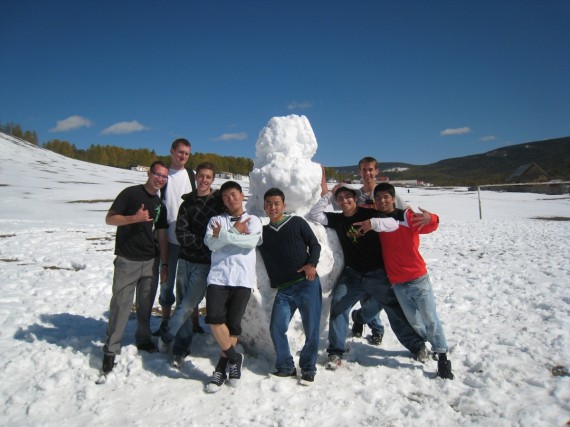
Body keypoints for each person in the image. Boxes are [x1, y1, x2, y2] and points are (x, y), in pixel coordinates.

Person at [309, 184, 428, 370]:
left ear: (355, 198)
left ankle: (416, 345)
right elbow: (315, 214)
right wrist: (330, 194)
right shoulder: (338, 219)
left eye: (348, 196)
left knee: (393, 308)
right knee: (338, 306)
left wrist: (373, 223)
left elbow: (393, 223)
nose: (345, 200)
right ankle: (335, 351)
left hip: (376, 272)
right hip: (353, 274)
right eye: (340, 198)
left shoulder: (369, 214)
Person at [355, 183, 454, 379]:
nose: (383, 201)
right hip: (397, 282)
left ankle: (442, 356)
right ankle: (426, 344)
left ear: (393, 198)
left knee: (430, 318)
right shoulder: (375, 220)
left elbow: (430, 224)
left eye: (386, 197)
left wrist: (433, 218)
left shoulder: (406, 217)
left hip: (418, 278)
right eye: (379, 198)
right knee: (414, 321)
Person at [98, 160, 169, 380]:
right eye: (157, 174)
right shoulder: (130, 194)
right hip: (127, 259)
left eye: (164, 177)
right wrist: (133, 219)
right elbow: (110, 219)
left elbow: (162, 234)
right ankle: (111, 349)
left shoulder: (160, 204)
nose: (160, 179)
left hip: (150, 261)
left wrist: (164, 263)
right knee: (121, 305)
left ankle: (144, 338)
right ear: (149, 173)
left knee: (146, 304)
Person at [157, 162, 225, 368]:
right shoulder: (187, 203)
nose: (204, 180)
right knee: (183, 305)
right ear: (196, 178)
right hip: (186, 261)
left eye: (208, 177)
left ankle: (167, 334)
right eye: (201, 176)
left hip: (205, 264)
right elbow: (181, 233)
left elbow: (222, 230)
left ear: (213, 180)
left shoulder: (217, 203)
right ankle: (181, 349)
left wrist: (209, 243)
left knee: (188, 304)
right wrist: (206, 242)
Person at [258, 188, 322, 384]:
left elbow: (315, 244)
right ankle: (286, 366)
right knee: (276, 328)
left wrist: (312, 264)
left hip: (307, 283)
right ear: (264, 207)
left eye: (276, 203)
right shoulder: (262, 233)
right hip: (284, 290)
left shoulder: (296, 222)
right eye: (268, 203)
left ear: (284, 206)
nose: (272, 207)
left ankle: (309, 367)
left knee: (311, 329)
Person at [203, 181, 263, 392]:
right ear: (223, 200)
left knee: (233, 324)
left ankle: (221, 366)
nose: (231, 198)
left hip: (242, 278)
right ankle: (234, 357)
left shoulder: (253, 220)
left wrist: (227, 235)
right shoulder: (215, 220)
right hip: (218, 277)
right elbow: (211, 244)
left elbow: (250, 243)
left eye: (234, 194)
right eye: (226, 196)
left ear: (242, 195)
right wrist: (235, 233)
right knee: (214, 319)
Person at [157, 138, 202, 332]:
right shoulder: (164, 177)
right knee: (167, 282)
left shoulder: (192, 176)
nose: (183, 156)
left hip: (189, 241)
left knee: (190, 284)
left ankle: (193, 322)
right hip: (168, 240)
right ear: (172, 152)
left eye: (187, 153)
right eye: (180, 152)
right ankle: (165, 321)